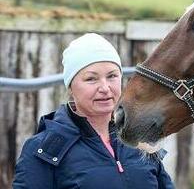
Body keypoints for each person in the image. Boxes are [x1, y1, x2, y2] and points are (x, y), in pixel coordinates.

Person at [13, 33, 175, 189]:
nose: (105, 88)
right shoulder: (45, 149)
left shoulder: (138, 140)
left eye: (112, 76)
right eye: (91, 79)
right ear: (70, 86)